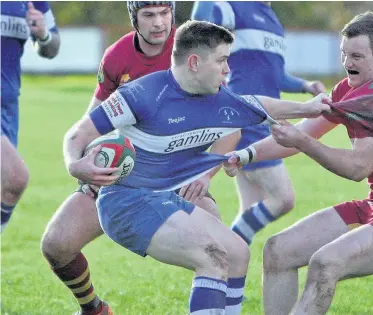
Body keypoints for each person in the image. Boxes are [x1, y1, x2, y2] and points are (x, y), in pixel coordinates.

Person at [62, 20, 330, 315]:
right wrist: (76, 165)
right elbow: (77, 135)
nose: (228, 70)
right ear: (194, 62)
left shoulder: (217, 97)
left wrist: (308, 108)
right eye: (222, 60)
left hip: (164, 198)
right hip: (126, 203)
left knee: (237, 252)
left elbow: (258, 104)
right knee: (212, 258)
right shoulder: (143, 94)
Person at [226, 11, 373, 315]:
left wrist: (302, 142)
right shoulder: (347, 88)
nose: (347, 63)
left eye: (356, 55)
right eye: (344, 54)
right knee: (278, 250)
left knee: (325, 263)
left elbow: (357, 168)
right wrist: (245, 155)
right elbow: (298, 135)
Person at [40, 2, 232, 315]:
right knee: (56, 244)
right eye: (149, 15)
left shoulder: (197, 49)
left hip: (176, 179)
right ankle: (94, 310)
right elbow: (91, 120)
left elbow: (228, 121)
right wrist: (84, 161)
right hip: (122, 177)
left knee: (222, 250)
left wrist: (205, 175)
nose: (159, 23)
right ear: (134, 17)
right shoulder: (117, 57)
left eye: (164, 13)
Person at [191, 1, 327, 245]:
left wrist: (305, 86)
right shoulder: (234, 6)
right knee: (283, 198)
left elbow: (275, 74)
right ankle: (224, 246)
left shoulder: (272, 18)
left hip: (265, 121)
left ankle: (228, 269)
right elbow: (199, 24)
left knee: (249, 210)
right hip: (246, 118)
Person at [1, 1, 60, 232]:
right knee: (15, 176)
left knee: (6, 186)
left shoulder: (33, 2)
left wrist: (43, 35)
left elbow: (52, 47)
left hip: (8, 107)